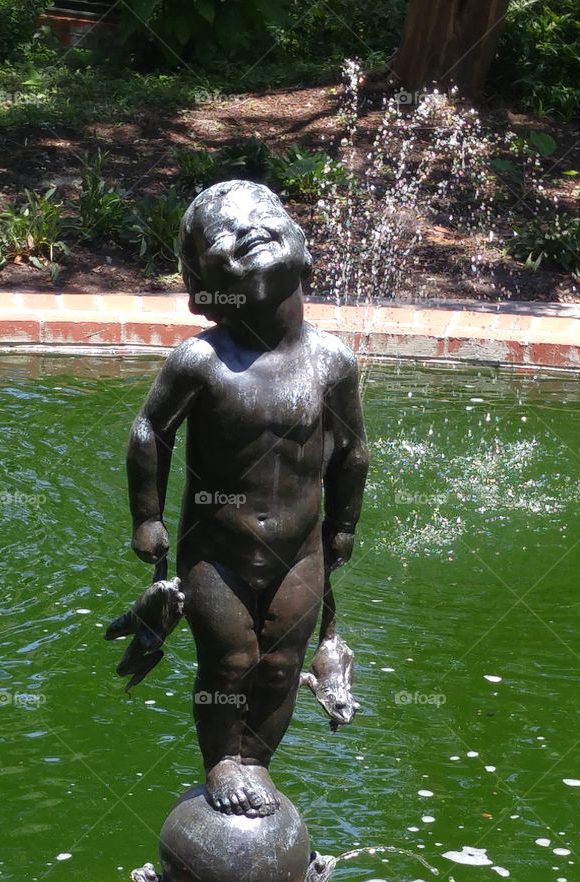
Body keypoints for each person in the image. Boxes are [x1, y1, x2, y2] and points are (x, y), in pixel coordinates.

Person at [108, 180, 368, 819]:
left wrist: (344, 525)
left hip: (300, 553)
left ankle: (256, 761)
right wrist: (146, 517)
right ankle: (222, 758)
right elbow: (149, 433)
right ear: (202, 290)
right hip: (215, 554)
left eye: (266, 218)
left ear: (305, 250)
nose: (248, 231)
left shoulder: (332, 361)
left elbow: (353, 451)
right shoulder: (201, 361)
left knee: (280, 664)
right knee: (230, 660)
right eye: (222, 236)